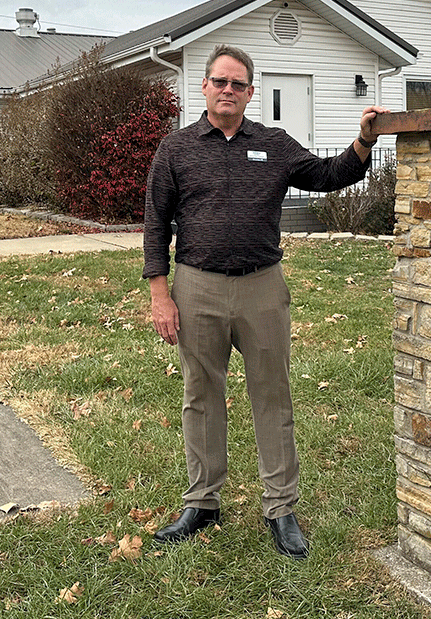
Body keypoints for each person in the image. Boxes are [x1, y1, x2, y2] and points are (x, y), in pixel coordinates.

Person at [143, 44, 387, 559]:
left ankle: (281, 507)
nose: (227, 90)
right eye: (219, 81)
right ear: (204, 87)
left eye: (238, 84)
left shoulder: (274, 145)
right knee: (201, 393)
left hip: (262, 287)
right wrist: (160, 293)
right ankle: (202, 502)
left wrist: (364, 140)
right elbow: (155, 223)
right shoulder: (176, 149)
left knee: (272, 396)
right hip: (197, 285)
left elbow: (328, 176)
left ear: (251, 93)